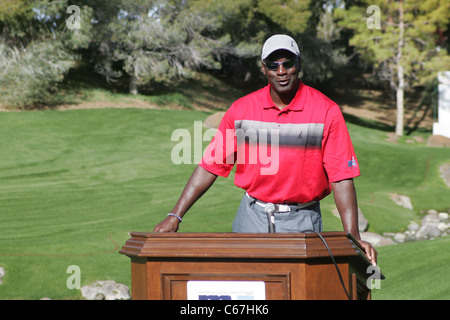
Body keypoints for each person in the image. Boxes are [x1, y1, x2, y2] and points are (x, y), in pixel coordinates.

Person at [153, 34, 377, 265]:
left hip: (303, 222)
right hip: (251, 219)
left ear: (298, 65)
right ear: (264, 69)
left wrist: (353, 236)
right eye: (273, 64)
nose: (281, 71)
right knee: (248, 291)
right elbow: (210, 166)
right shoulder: (241, 110)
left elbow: (341, 177)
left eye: (287, 63)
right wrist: (175, 215)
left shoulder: (326, 111)